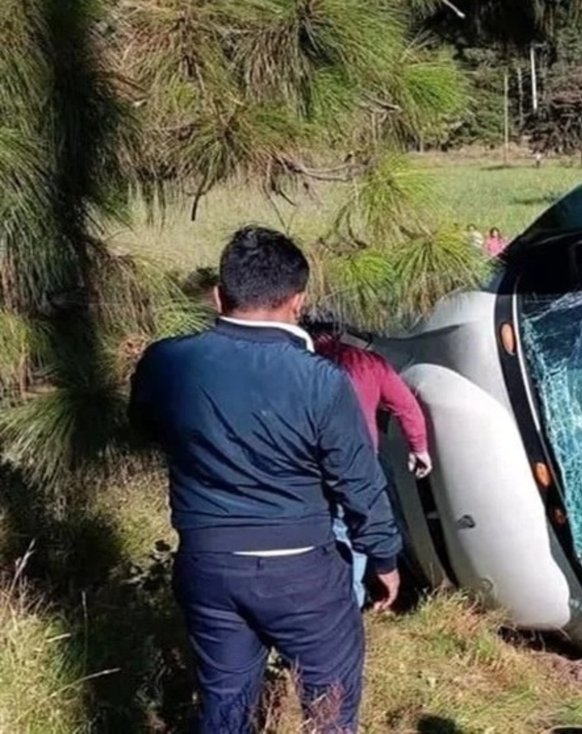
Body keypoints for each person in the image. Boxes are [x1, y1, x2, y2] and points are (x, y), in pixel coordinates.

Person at [129, 226, 401, 733]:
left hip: (206, 563)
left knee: (224, 706)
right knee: (329, 709)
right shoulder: (321, 380)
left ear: (218, 295)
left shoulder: (164, 362)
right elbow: (358, 482)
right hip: (301, 571)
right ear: (298, 301)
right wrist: (382, 556)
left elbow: (144, 430)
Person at [306, 317, 431, 608]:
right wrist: (419, 447)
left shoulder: (301, 366)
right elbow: (406, 407)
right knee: (354, 530)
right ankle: (351, 603)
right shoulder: (367, 363)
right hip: (359, 464)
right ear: (338, 330)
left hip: (309, 468)